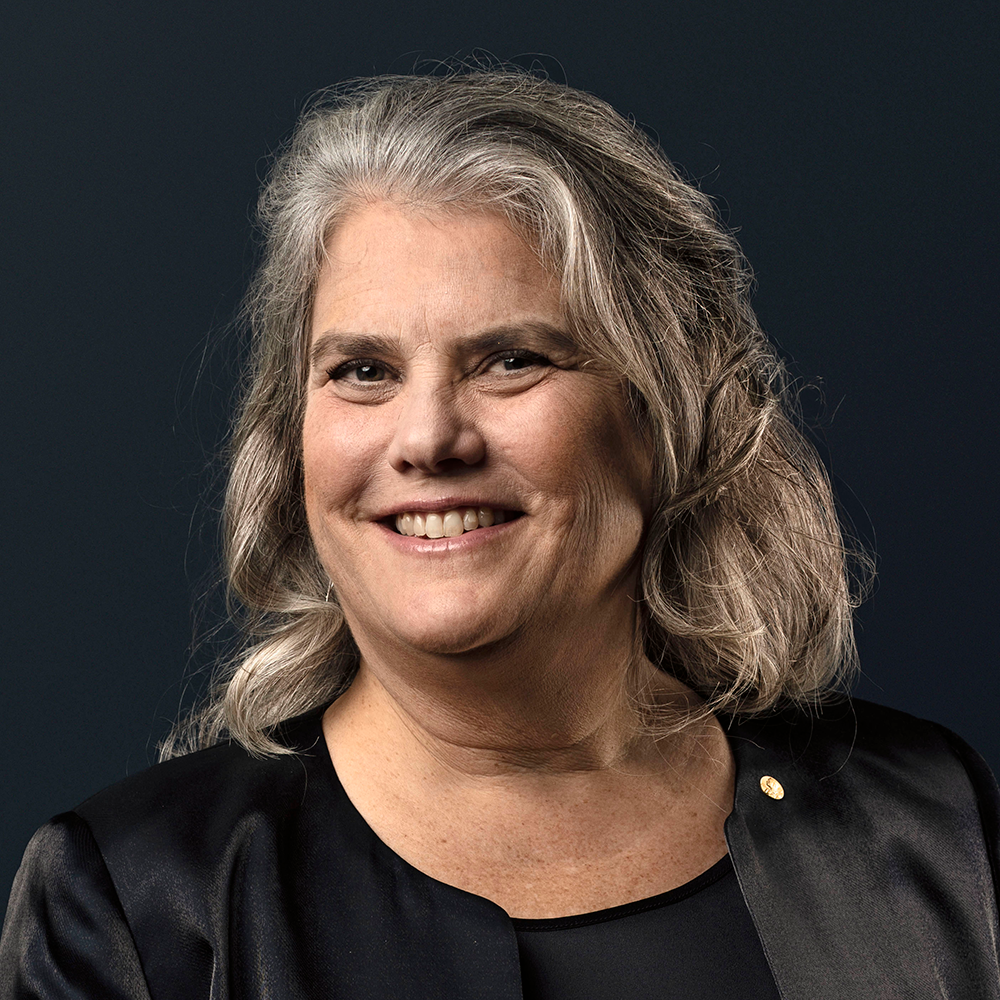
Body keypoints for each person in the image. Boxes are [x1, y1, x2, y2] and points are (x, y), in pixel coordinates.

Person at [2, 70, 997, 999]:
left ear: (663, 415)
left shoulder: (925, 826)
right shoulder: (136, 910)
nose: (429, 436)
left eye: (511, 359)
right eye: (361, 371)